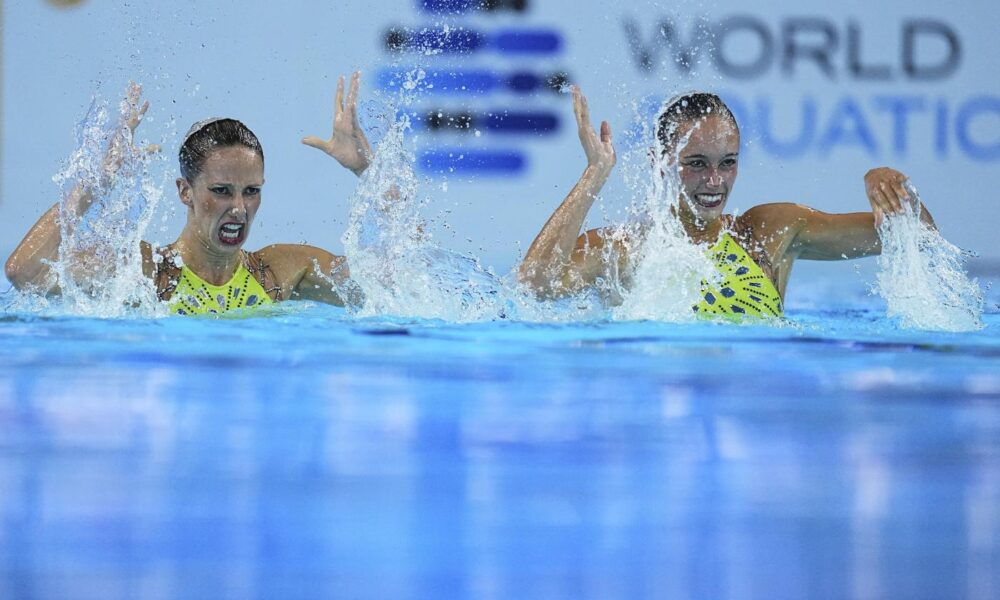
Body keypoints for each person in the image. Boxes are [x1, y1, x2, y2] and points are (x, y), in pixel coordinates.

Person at [518, 87, 937, 317]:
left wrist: (890, 186)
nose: (714, 181)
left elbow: (918, 233)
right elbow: (534, 286)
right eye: (696, 163)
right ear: (661, 165)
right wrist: (595, 175)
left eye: (728, 163)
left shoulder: (768, 232)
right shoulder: (630, 248)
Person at [6, 73, 375, 315]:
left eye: (251, 191)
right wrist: (94, 186)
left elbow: (394, 281)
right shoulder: (145, 272)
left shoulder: (281, 272)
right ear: (185, 191)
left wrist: (369, 173)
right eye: (221, 191)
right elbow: (26, 273)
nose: (239, 209)